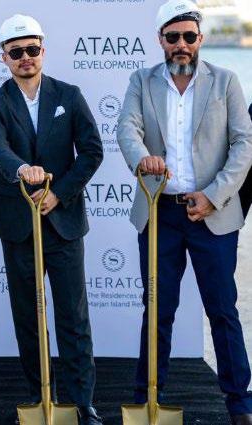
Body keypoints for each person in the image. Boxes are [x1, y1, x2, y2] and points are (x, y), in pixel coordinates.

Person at [116, 1, 252, 423]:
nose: (181, 45)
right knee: (157, 310)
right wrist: (142, 159)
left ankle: (240, 403)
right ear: (160, 40)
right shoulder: (141, 81)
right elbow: (127, 129)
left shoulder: (226, 81)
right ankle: (147, 399)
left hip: (212, 215)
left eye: (189, 37)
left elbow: (244, 144)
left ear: (200, 39)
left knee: (223, 310)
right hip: (159, 214)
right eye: (172, 37)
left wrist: (213, 195)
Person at [0, 14, 104, 425]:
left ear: (43, 51)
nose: (25, 57)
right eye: (16, 51)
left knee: (73, 317)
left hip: (62, 223)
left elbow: (92, 151)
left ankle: (82, 403)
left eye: (32, 49)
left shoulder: (69, 94)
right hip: (18, 224)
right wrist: (22, 170)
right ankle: (40, 399)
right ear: (4, 57)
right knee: (29, 319)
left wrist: (57, 193)